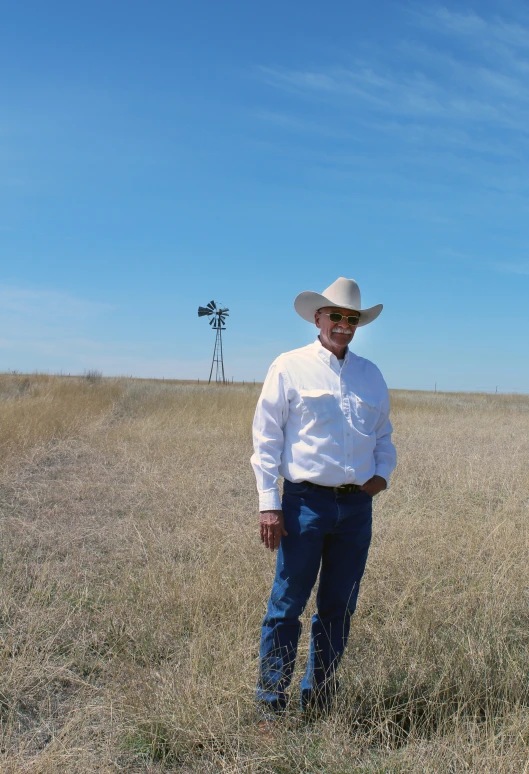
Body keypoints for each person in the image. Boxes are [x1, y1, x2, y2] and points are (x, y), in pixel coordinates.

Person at [251, 276, 397, 717]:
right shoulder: (289, 366)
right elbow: (266, 437)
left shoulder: (370, 375)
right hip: (303, 504)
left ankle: (319, 702)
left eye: (351, 319)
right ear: (318, 318)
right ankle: (271, 704)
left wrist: (380, 479)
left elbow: (384, 437)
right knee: (287, 606)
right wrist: (269, 503)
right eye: (336, 316)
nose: (343, 325)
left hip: (356, 509)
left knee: (338, 607)